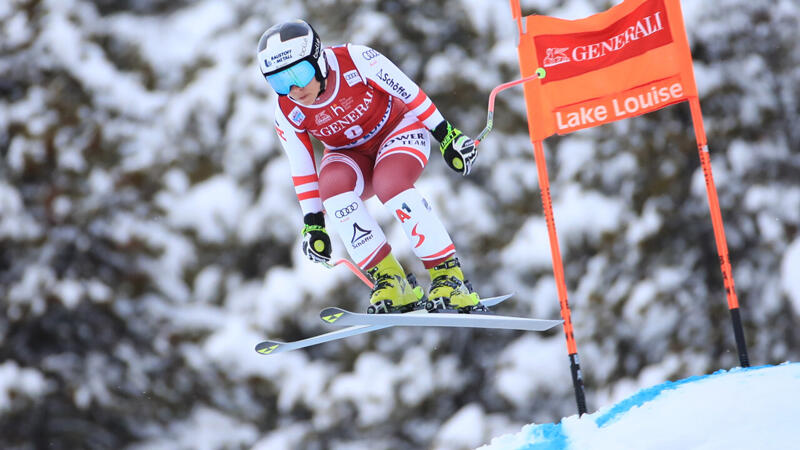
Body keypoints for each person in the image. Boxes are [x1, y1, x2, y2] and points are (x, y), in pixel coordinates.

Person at [257, 19, 485, 314]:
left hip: (397, 130)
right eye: (278, 81)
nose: (294, 89)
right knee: (332, 188)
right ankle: (391, 280)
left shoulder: (355, 60)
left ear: (318, 60)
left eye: (299, 74)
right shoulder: (287, 109)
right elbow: (301, 167)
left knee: (390, 183)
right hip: (349, 154)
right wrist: (313, 224)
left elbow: (409, 93)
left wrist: (445, 134)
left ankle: (449, 277)